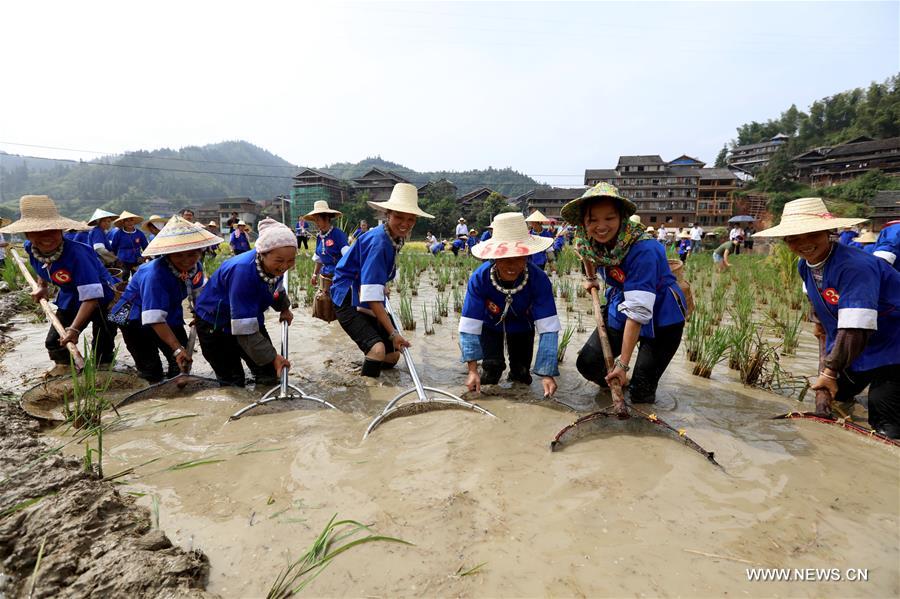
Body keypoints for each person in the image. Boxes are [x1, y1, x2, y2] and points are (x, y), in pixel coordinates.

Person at [754, 197, 900, 438]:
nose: (804, 244)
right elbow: (817, 300)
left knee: (885, 421)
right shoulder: (806, 265)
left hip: (893, 343)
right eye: (794, 238)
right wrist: (819, 324)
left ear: (828, 232)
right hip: (858, 347)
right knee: (838, 395)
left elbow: (855, 329)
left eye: (812, 234)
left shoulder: (855, 266)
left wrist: (829, 372)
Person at [561, 183, 687, 406]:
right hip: (621, 305)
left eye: (609, 218)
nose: (601, 227)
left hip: (661, 316)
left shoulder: (644, 250)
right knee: (589, 364)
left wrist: (623, 364)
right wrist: (591, 278)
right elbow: (585, 253)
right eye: (593, 220)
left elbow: (638, 312)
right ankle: (616, 386)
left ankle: (635, 395)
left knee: (642, 393)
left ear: (621, 217)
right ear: (584, 223)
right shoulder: (586, 239)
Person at [1, 196, 118, 375]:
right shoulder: (29, 247)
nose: (46, 237)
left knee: (103, 341)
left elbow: (92, 297)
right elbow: (42, 267)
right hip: (70, 296)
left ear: (61, 230)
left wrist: (75, 329)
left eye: (52, 230)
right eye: (36, 231)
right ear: (27, 234)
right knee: (55, 341)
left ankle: (104, 373)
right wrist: (43, 286)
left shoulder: (79, 254)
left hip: (101, 297)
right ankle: (65, 369)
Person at [330, 183, 433, 377]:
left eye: (410, 219)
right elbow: (372, 299)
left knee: (392, 356)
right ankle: (368, 392)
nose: (405, 223)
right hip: (347, 297)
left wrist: (379, 284)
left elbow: (370, 271)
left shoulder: (395, 237)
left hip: (363, 292)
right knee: (378, 349)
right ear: (388, 214)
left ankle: (367, 364)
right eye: (399, 217)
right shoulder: (378, 242)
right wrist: (394, 333)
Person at [110, 216, 221, 383]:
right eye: (178, 255)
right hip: (134, 317)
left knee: (182, 361)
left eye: (192, 254)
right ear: (168, 254)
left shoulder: (195, 266)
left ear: (200, 251)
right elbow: (154, 319)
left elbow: (199, 293)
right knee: (151, 369)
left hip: (168, 312)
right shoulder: (154, 275)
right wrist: (176, 349)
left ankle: (178, 390)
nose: (186, 260)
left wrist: (198, 314)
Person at [459, 212, 560, 396]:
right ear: (494, 257)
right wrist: (472, 370)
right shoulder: (480, 278)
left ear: (527, 255)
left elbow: (548, 327)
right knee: (492, 369)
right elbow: (469, 325)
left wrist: (547, 373)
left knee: (521, 374)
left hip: (523, 323)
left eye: (519, 257)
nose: (512, 265)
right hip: (491, 323)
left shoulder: (539, 280)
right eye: (505, 258)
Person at [195, 218, 296, 386]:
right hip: (216, 325)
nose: (285, 266)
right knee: (233, 382)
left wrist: (284, 309)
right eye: (279, 261)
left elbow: (276, 290)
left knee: (269, 375)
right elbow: (244, 330)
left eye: (291, 260)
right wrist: (272, 356)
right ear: (262, 254)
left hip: (248, 317)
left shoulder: (274, 268)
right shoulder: (242, 271)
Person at [304, 200, 349, 301]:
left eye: (318, 220)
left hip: (339, 278)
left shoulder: (338, 235)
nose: (316, 223)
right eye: (315, 220)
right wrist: (314, 274)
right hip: (325, 278)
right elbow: (319, 259)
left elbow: (348, 257)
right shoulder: (320, 237)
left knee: (339, 307)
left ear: (327, 218)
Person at [108, 211, 149, 278]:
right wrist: (115, 260)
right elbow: (114, 247)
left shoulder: (139, 234)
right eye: (127, 221)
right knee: (124, 277)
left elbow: (146, 247)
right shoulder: (118, 234)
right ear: (123, 223)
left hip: (137, 260)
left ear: (134, 222)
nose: (130, 223)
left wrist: (144, 257)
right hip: (122, 261)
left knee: (137, 278)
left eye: (131, 220)